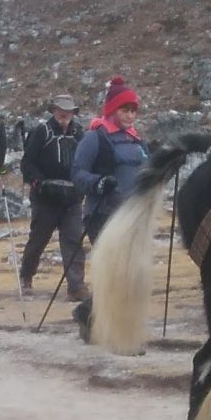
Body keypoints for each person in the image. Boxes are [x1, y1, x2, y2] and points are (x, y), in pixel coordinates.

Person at [71, 76, 150, 338]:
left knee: (127, 274)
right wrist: (99, 182)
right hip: (102, 214)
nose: (130, 115)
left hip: (132, 216)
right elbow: (77, 173)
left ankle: (89, 315)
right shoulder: (95, 138)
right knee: (116, 272)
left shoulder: (136, 141)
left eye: (133, 111)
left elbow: (147, 171)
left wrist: (166, 166)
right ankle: (103, 324)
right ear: (112, 109)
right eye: (125, 110)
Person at [17, 94, 86, 303]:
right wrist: (38, 182)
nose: (64, 114)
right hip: (45, 197)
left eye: (68, 111)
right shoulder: (42, 132)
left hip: (72, 198)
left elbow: (85, 161)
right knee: (38, 240)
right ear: (54, 111)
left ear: (73, 113)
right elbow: (27, 163)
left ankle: (76, 286)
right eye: (61, 110)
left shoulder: (79, 133)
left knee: (73, 240)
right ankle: (26, 276)